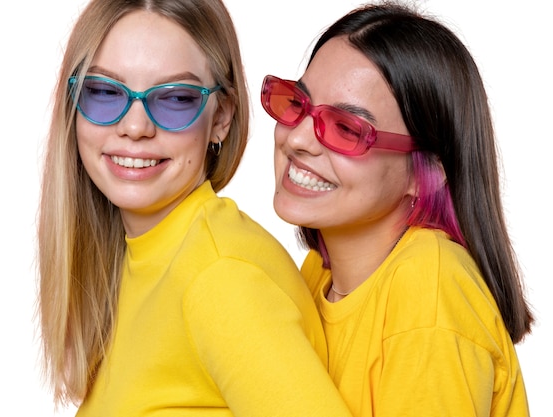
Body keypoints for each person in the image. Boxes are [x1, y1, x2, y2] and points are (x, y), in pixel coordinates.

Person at [36, 0, 351, 415]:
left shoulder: (223, 277)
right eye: (104, 92)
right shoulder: (139, 257)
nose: (134, 127)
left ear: (221, 117)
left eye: (175, 99)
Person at [260, 2, 533, 415]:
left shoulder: (429, 294)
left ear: (429, 168)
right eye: (298, 103)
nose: (298, 139)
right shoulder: (319, 273)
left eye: (346, 128)